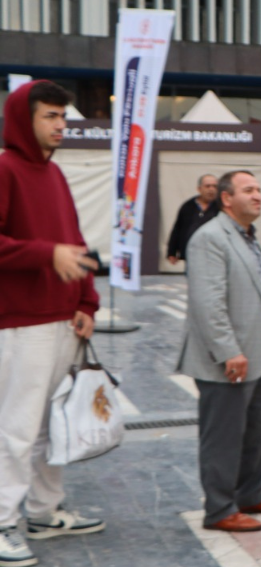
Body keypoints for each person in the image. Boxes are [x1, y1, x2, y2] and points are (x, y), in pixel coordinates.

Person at [0, 81, 103, 567]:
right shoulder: (4, 168)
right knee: (17, 428)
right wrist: (46, 254)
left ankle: (42, 511)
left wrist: (87, 300)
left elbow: (74, 239)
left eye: (64, 116)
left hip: (64, 319)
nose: (61, 125)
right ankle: (2, 520)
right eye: (50, 116)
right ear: (25, 118)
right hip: (22, 323)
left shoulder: (56, 175)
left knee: (49, 426)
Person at [179, 171, 261, 533]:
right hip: (229, 357)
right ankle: (219, 509)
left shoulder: (246, 236)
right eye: (249, 190)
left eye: (259, 189)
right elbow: (207, 302)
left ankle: (250, 492)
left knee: (260, 429)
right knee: (224, 435)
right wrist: (229, 350)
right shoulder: (209, 238)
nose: (258, 196)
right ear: (226, 198)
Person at [167, 174, 221, 264]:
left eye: (214, 186)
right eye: (207, 186)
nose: (211, 189)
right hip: (191, 254)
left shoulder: (222, 208)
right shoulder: (188, 206)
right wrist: (171, 252)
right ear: (199, 189)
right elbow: (177, 228)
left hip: (214, 255)